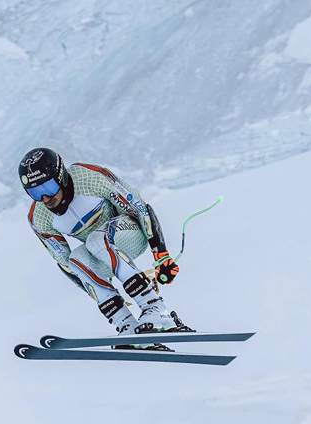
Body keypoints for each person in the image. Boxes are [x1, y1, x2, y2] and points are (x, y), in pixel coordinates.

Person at [19, 147, 191, 350]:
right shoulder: (39, 217)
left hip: (130, 235)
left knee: (95, 240)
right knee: (76, 259)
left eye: (47, 187)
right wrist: (99, 292)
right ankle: (126, 324)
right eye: (35, 192)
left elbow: (140, 208)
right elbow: (66, 265)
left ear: (61, 177)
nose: (45, 198)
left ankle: (156, 309)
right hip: (102, 255)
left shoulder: (88, 177)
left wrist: (161, 254)